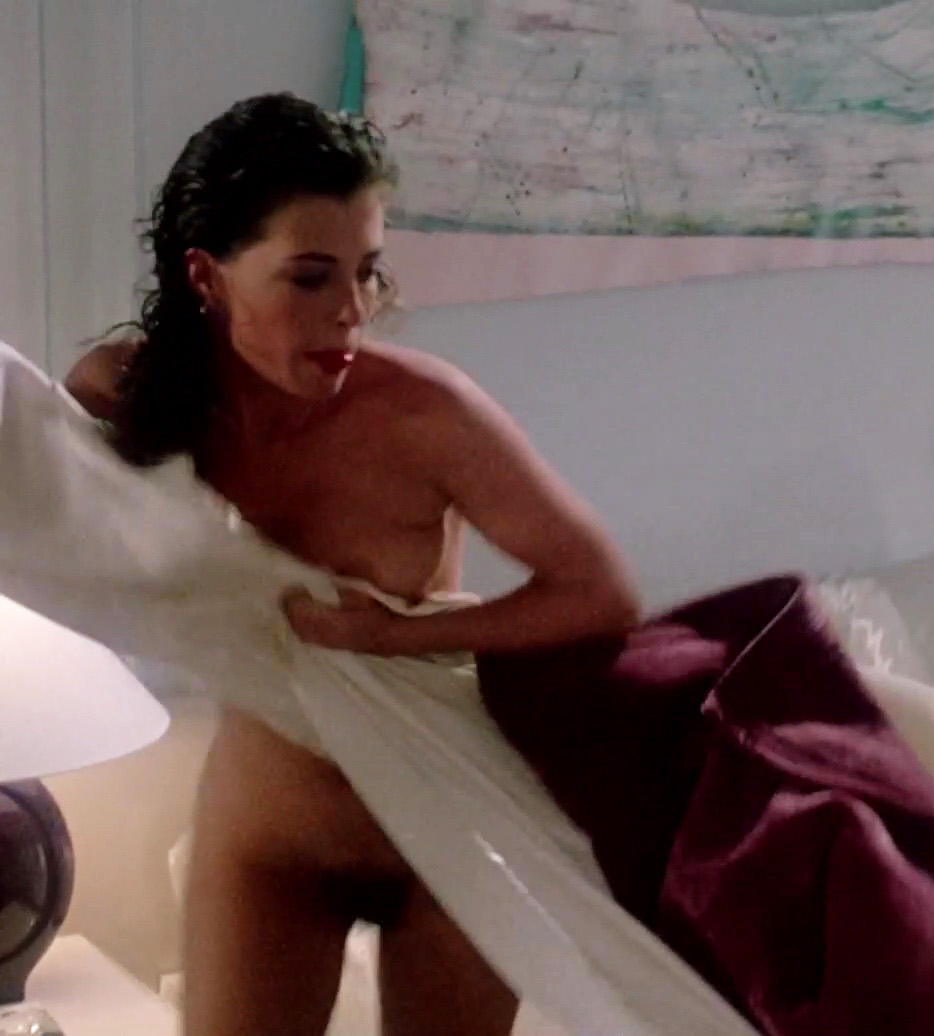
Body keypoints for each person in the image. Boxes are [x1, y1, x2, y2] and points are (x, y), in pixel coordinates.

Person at [64, 93, 639, 1036]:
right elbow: (58, 487)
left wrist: (392, 634)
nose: (352, 311)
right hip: (272, 833)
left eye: (368, 272)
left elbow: (600, 594)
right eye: (310, 277)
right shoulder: (146, 399)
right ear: (206, 276)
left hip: (449, 831)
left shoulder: (427, 415)